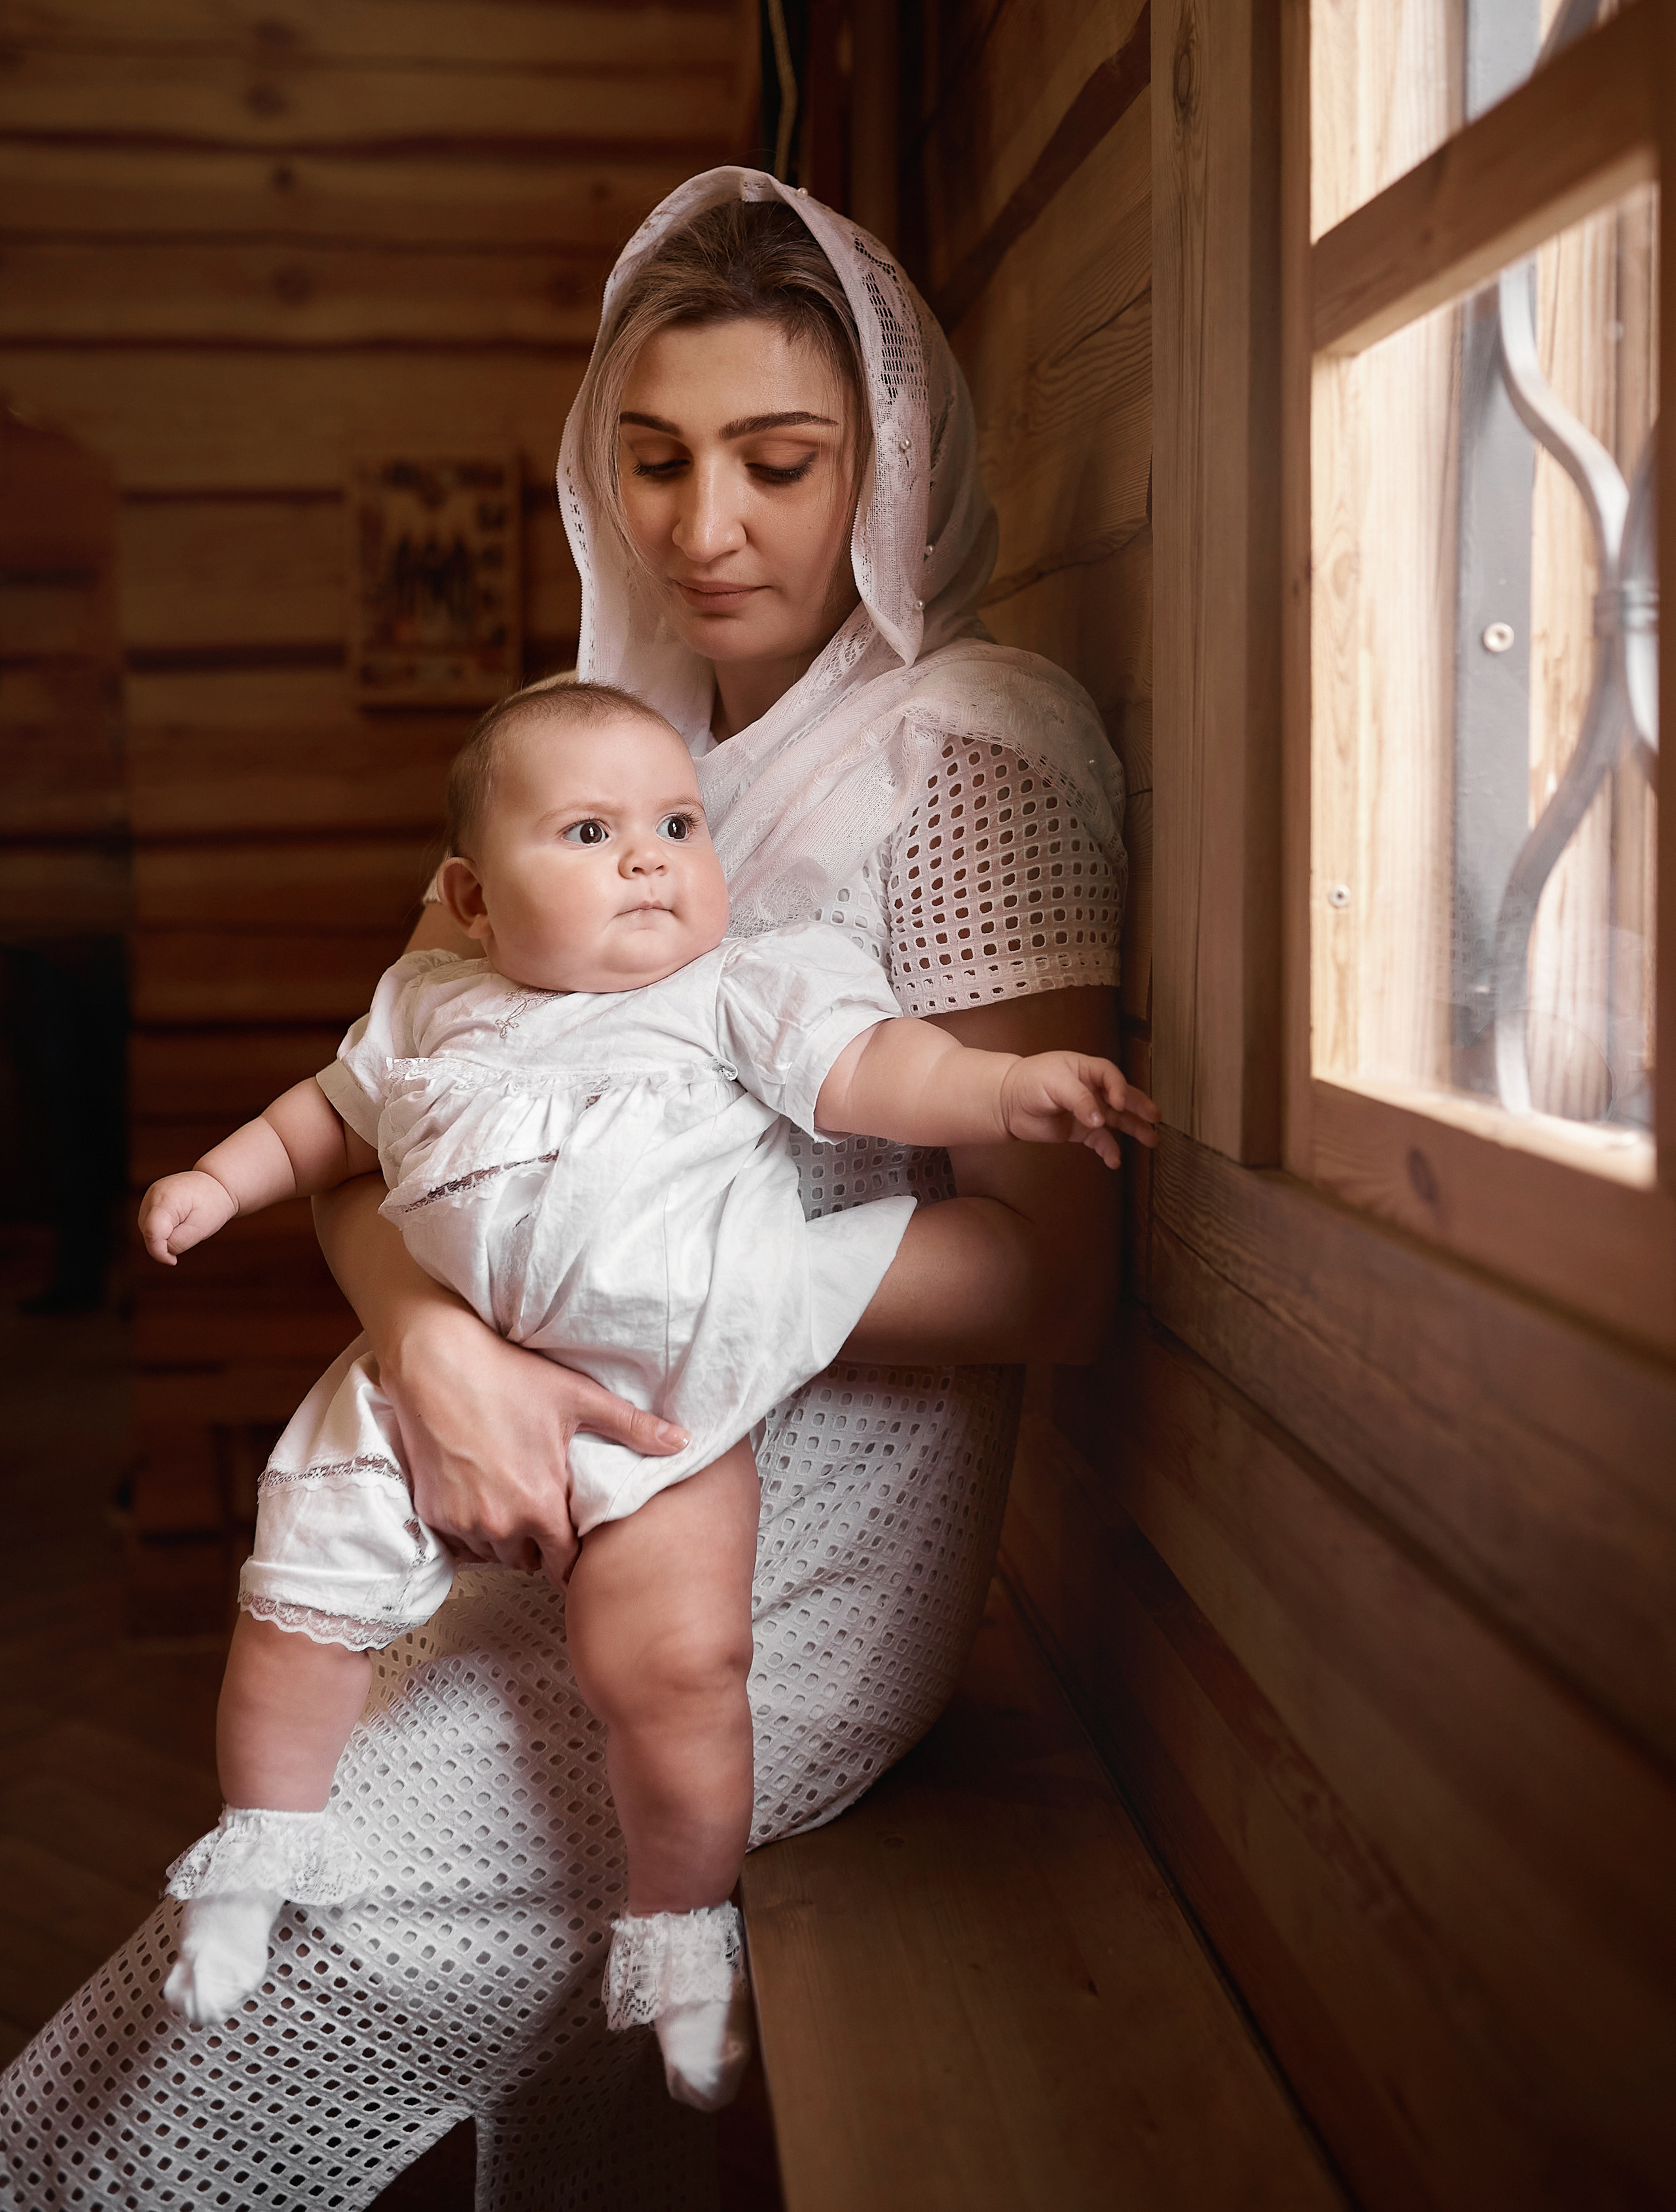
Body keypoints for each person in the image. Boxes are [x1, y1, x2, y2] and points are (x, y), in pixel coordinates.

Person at [1, 175, 1135, 2209]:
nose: (708, 525)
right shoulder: (610, 757)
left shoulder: (966, 753)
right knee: (424, 2007)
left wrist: (636, 1294)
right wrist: (441, 1350)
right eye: (658, 458)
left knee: (208, 2042)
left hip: (789, 1569)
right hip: (526, 1500)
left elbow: (1050, 1278)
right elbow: (399, 1115)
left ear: (889, 466)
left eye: (780, 463)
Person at [136, 680, 1147, 2107]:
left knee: (672, 1667)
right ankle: (263, 1842)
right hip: (418, 1388)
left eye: (676, 823)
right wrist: (214, 1182)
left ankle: (675, 1931)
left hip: (663, 1405)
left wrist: (1005, 1090)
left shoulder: (738, 984)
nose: (649, 859)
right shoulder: (433, 1001)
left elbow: (875, 1069)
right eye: (593, 831)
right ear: (473, 901)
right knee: (300, 1602)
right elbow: (325, 1119)